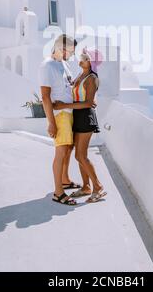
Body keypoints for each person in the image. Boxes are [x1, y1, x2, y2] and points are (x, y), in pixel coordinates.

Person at [53, 48, 107, 203]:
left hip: (85, 117)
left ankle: (97, 186)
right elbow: (77, 93)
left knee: (80, 155)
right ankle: (86, 187)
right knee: (80, 155)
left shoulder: (92, 78)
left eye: (85, 57)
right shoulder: (81, 75)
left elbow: (89, 102)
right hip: (77, 116)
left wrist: (64, 106)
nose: (81, 58)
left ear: (91, 62)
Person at [39, 34, 81, 206]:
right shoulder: (47, 66)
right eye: (70, 51)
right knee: (61, 152)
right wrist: (51, 123)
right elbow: (45, 96)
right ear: (60, 49)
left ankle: (64, 180)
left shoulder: (63, 64)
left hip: (68, 112)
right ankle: (58, 193)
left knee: (68, 149)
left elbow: (69, 85)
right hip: (60, 116)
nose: (71, 55)